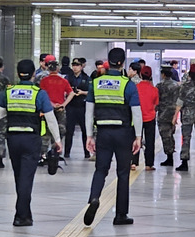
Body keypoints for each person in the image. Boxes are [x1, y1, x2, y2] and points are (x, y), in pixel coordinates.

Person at [0, 59, 62, 226]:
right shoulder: (38, 93)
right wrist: (57, 140)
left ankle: (25, 214)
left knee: (19, 176)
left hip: (13, 138)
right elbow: (50, 119)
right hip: (31, 139)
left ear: (18, 74)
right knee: (26, 178)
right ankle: (21, 216)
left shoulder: (8, 91)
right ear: (33, 74)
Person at [84, 47, 142, 226]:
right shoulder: (128, 84)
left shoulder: (96, 83)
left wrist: (89, 136)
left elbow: (88, 112)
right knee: (123, 173)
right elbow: (137, 113)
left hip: (103, 132)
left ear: (108, 62)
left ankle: (94, 198)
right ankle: (121, 215)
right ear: (123, 63)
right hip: (123, 133)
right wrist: (138, 136)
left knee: (100, 170)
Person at [39, 55, 75, 156]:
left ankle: (43, 155)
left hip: (48, 109)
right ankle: (55, 152)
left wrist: (51, 104)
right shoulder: (63, 81)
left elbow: (43, 94)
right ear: (58, 69)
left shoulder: (44, 81)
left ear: (48, 68)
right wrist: (63, 104)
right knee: (60, 130)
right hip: (60, 109)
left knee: (46, 131)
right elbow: (71, 93)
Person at [132, 66, 159, 171]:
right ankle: (149, 164)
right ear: (151, 76)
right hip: (150, 117)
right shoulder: (154, 89)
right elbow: (156, 104)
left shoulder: (135, 88)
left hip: (137, 118)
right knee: (150, 141)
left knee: (135, 139)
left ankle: (134, 162)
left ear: (140, 75)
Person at [65, 58, 91, 158]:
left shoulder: (86, 78)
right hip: (71, 106)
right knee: (69, 130)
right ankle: (67, 152)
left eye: (77, 65)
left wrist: (82, 92)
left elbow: (91, 92)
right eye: (74, 65)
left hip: (82, 106)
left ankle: (86, 152)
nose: (75, 67)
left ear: (81, 67)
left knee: (85, 130)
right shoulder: (68, 78)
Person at [156, 66, 180, 167]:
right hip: (173, 112)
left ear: (163, 75)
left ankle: (169, 157)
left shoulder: (160, 85)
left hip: (163, 113)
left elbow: (157, 99)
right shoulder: (176, 85)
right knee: (170, 133)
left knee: (165, 135)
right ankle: (171, 153)